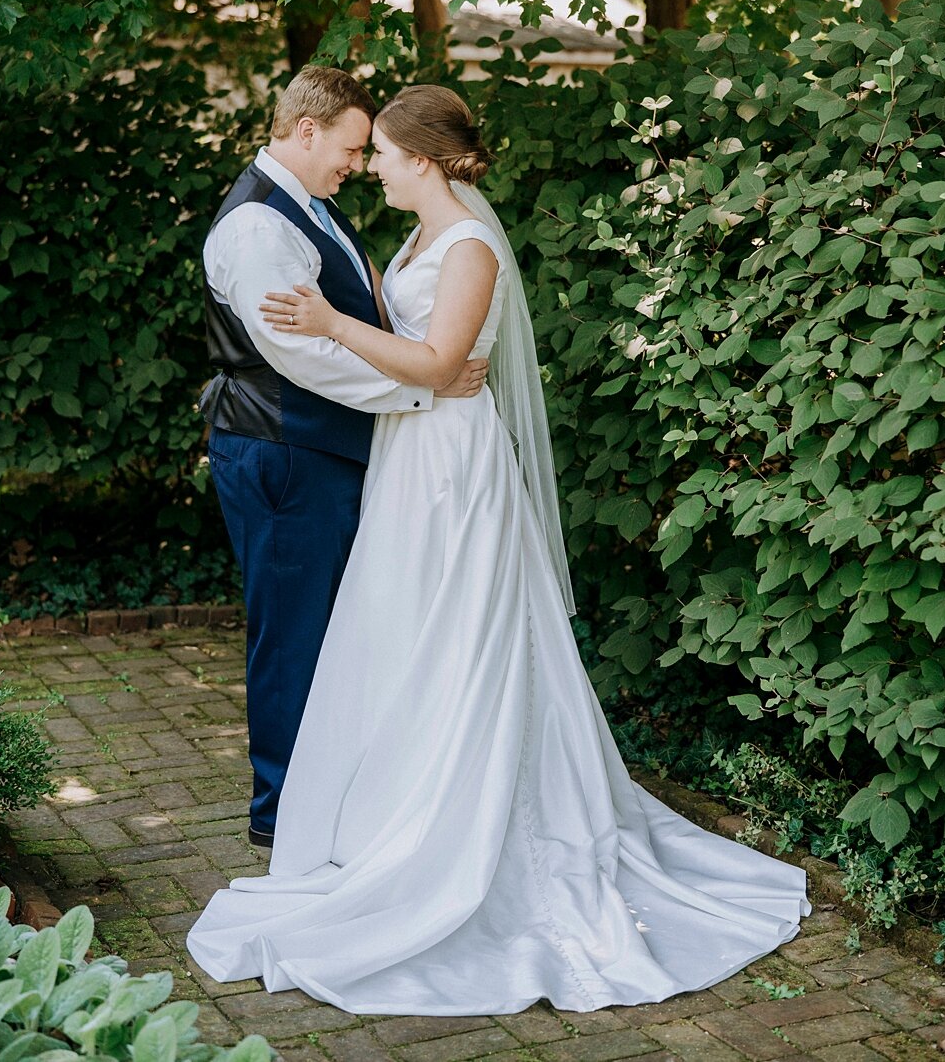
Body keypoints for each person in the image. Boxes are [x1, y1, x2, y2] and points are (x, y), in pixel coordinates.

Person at [187, 84, 809, 1015]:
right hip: (411, 449)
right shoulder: (407, 240)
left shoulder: (469, 246)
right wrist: (390, 358)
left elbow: (437, 365)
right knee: (406, 634)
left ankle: (467, 827)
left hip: (448, 460)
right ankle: (393, 813)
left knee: (461, 632)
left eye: (385, 156)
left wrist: (336, 326)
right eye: (363, 153)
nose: (374, 170)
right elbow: (420, 356)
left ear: (425, 160)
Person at [199, 67, 487, 849]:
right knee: (293, 631)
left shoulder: (308, 208)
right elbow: (302, 354)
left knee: (331, 629)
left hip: (319, 448)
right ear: (306, 131)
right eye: (353, 149)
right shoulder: (259, 225)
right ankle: (281, 815)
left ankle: (328, 798)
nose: (357, 166)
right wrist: (424, 391)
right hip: (283, 449)